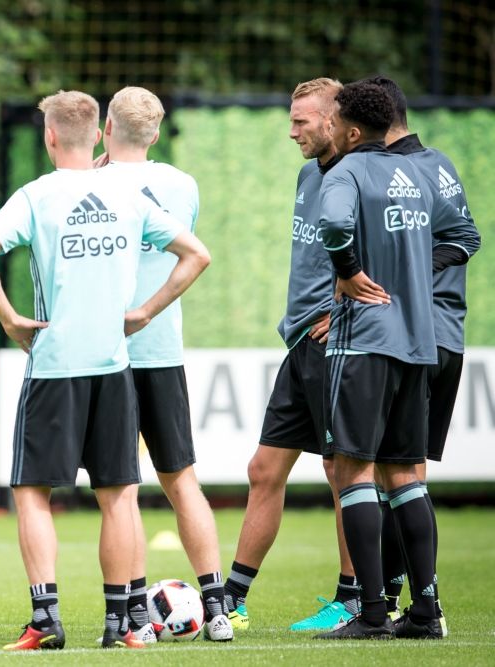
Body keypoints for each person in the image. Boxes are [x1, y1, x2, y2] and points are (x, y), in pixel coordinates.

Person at [0, 90, 211, 650]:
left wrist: (9, 319)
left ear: (49, 137)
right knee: (119, 495)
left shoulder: (35, 195)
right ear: (98, 135)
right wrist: (146, 312)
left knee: (32, 493)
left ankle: (46, 619)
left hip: (54, 363)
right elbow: (196, 253)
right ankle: (122, 624)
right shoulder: (125, 194)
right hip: (114, 365)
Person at [314, 81, 479, 640]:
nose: (326, 128)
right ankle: (427, 610)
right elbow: (459, 237)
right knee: (406, 474)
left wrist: (345, 269)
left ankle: (372, 612)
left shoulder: (348, 172)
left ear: (352, 131)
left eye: (332, 120)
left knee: (351, 469)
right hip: (418, 341)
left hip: (365, 339)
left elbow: (335, 225)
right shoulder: (418, 179)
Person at [221, 77, 361, 633]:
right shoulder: (309, 176)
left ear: (332, 120)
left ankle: (353, 598)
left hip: (339, 344)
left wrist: (345, 314)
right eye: (291, 118)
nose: (292, 130)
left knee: (342, 472)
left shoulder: (361, 177)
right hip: (301, 341)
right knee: (264, 469)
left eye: (302, 120)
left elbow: (385, 260)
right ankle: (232, 599)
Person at [95, 86, 232, 642]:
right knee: (182, 481)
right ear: (155, 134)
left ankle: (133, 617)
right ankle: (218, 608)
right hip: (163, 350)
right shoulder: (182, 184)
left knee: (121, 489)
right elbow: (182, 251)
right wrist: (151, 310)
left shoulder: (89, 185)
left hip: (107, 353)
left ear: (106, 126)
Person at [367, 75, 477, 634]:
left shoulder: (410, 170)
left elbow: (466, 238)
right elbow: (467, 238)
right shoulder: (436, 165)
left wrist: (401, 273)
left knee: (398, 473)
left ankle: (420, 606)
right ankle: (398, 600)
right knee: (401, 474)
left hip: (419, 337)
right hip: (438, 335)